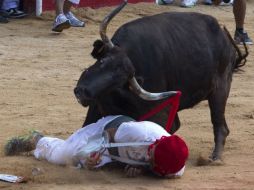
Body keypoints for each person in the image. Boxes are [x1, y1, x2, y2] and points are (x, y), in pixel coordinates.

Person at [4, 115, 189, 178]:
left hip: (120, 157)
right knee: (65, 156)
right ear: (156, 143)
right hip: (104, 135)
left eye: (153, 161)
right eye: (151, 154)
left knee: (95, 168)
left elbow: (159, 172)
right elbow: (108, 134)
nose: (148, 159)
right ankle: (37, 139)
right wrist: (91, 154)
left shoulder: (175, 168)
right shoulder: (140, 133)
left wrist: (140, 168)